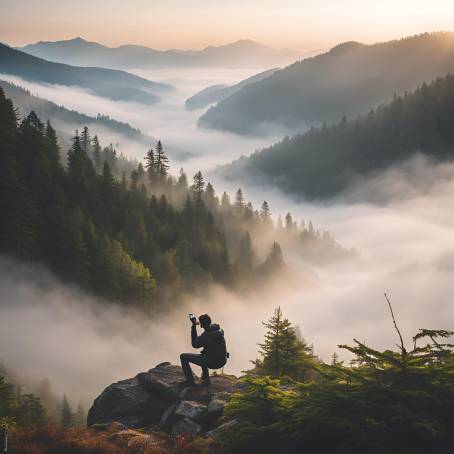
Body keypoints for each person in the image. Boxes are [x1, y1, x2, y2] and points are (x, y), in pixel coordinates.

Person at [180, 313, 228, 385]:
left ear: (201, 325)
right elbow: (213, 344)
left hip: (213, 363)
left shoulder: (205, 337)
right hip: (223, 360)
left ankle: (190, 382)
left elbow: (194, 344)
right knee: (204, 353)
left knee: (183, 357)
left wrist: (193, 326)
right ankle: (205, 378)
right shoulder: (219, 330)